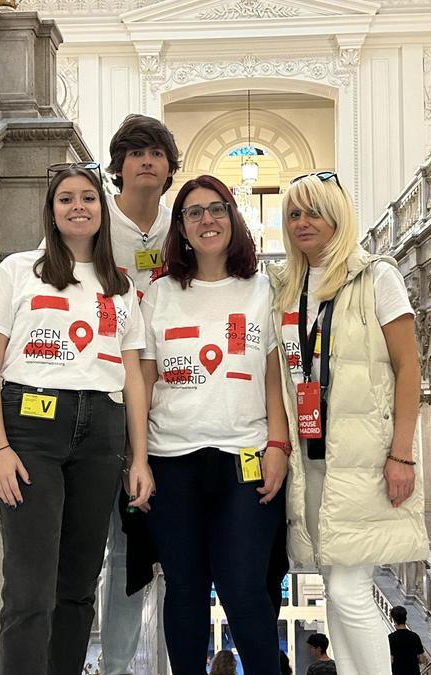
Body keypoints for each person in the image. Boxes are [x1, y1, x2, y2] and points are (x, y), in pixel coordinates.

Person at [0, 163, 155, 675]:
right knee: (30, 590)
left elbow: (134, 377)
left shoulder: (119, 286)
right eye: (66, 199)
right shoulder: (18, 271)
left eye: (88, 199)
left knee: (78, 588)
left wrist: (138, 458)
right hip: (31, 431)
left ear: (102, 210)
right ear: (51, 212)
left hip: (102, 433)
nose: (79, 207)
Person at [270, 172, 426, 675]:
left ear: (338, 216)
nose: (302, 222)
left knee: (348, 587)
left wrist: (401, 453)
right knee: (333, 590)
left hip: (364, 458)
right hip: (313, 461)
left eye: (313, 211)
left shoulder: (376, 276)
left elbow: (409, 367)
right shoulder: (286, 287)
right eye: (294, 213)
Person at [139, 175, 289, 675]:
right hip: (171, 458)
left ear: (233, 218)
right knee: (184, 589)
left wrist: (278, 446)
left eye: (217, 209)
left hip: (244, 455)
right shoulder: (158, 295)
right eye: (194, 212)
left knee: (245, 589)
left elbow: (274, 376)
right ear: (180, 227)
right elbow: (142, 381)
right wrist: (137, 459)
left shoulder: (263, 290)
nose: (207, 220)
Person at [99, 113, 180, 675]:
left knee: (178, 560)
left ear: (170, 168)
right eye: (136, 152)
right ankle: (116, 665)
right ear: (120, 166)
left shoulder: (184, 226)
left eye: (156, 152)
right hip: (107, 398)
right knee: (124, 554)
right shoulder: (94, 222)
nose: (147, 160)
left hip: (173, 406)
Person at [388, 606, 426, 675]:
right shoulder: (415, 636)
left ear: (394, 620)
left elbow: (391, 659)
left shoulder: (391, 638)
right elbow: (422, 659)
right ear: (405, 618)